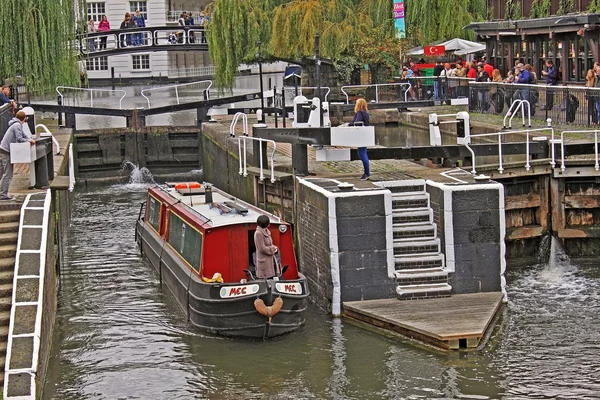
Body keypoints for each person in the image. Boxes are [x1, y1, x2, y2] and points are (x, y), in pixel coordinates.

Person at [0, 110, 35, 200]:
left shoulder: (16, 124)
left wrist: (29, 139)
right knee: (8, 174)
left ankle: (2, 193)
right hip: (6, 152)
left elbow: (24, 135)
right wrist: (29, 141)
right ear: (24, 119)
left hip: (3, 150)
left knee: (2, 173)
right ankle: (3, 195)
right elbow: (19, 138)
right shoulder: (17, 125)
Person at [349, 98, 371, 180]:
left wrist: (348, 125)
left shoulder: (359, 113)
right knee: (362, 153)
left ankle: (367, 173)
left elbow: (357, 122)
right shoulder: (366, 113)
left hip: (361, 135)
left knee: (362, 154)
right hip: (365, 135)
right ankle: (366, 172)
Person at [254, 215, 279, 279]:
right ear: (268, 224)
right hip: (264, 262)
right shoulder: (258, 234)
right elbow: (262, 248)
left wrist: (274, 247)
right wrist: (273, 249)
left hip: (269, 260)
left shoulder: (266, 231)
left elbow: (269, 244)